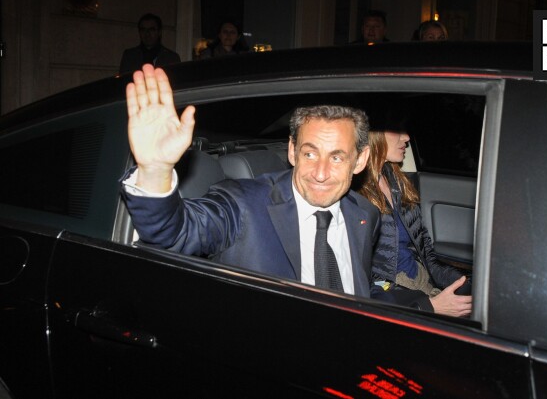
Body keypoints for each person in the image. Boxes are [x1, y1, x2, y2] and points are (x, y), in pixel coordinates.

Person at [120, 64, 380, 297]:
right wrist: (155, 170)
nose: (320, 173)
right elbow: (174, 234)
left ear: (360, 160)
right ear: (292, 150)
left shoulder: (365, 215)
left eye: (337, 158)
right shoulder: (242, 205)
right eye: (309, 154)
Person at [358, 129, 472, 316]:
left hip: (419, 280)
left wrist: (460, 281)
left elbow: (425, 251)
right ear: (374, 135)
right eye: (397, 130)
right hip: (392, 294)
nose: (407, 137)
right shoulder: (355, 196)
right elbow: (367, 285)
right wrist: (428, 306)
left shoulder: (396, 180)